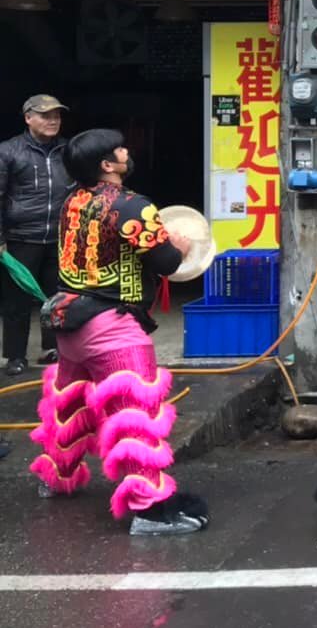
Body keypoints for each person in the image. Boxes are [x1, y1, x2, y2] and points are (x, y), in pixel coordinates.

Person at [29, 128, 209, 535]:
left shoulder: (72, 200)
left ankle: (55, 478)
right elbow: (166, 263)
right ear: (107, 165)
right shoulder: (133, 206)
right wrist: (180, 245)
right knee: (134, 418)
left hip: (69, 322)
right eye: (120, 149)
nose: (127, 151)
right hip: (112, 328)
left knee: (70, 405)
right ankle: (149, 510)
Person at [0, 94, 72, 375]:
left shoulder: (68, 150)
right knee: (16, 300)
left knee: (56, 297)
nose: (53, 120)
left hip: (60, 236)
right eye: (45, 115)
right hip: (20, 237)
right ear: (28, 118)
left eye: (57, 115)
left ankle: (52, 349)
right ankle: (16, 356)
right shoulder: (9, 151)